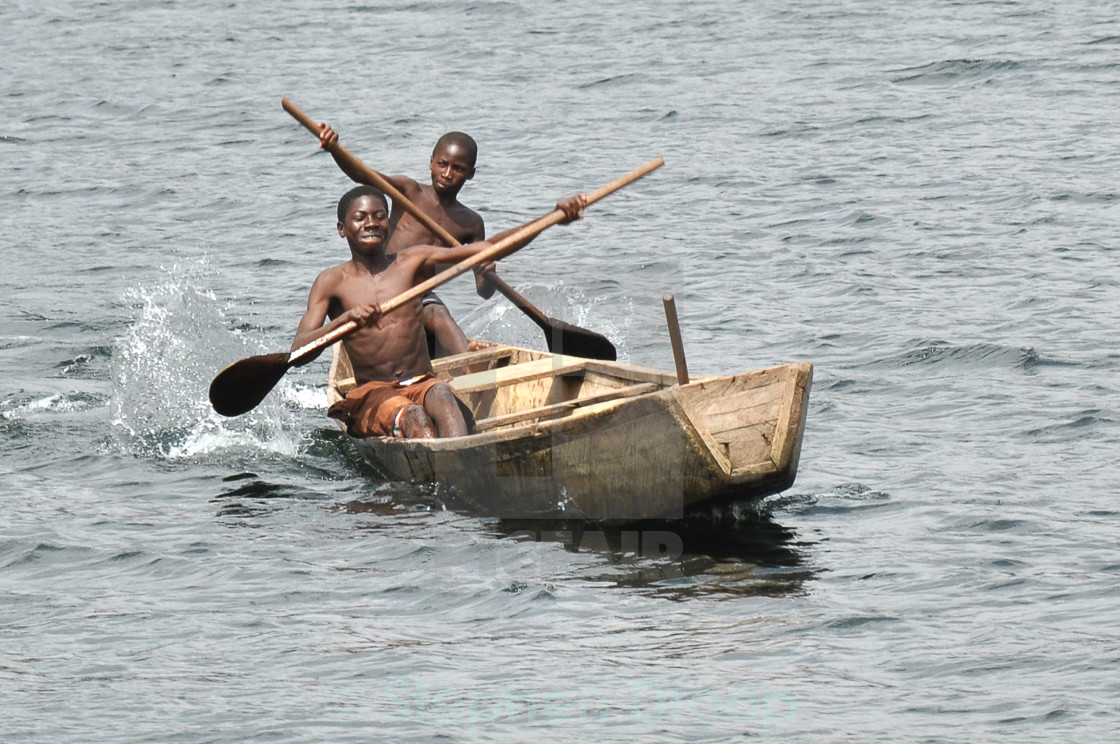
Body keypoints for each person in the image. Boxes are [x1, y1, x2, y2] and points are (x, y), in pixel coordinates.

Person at [293, 185, 582, 440]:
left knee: (444, 395)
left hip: (424, 381)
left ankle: (460, 458)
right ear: (342, 229)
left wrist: (548, 219)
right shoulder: (330, 282)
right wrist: (345, 321)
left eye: (380, 216)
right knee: (414, 417)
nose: (371, 223)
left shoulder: (413, 262)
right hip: (373, 394)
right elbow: (299, 352)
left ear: (389, 225)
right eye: (360, 218)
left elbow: (488, 248)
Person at [317, 124, 491, 357]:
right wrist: (335, 149)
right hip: (382, 286)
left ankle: (468, 358)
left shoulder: (471, 223)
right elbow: (362, 175)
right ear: (431, 162)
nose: (447, 174)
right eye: (442, 164)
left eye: (458, 168)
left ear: (471, 173)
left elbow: (484, 291)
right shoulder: (409, 191)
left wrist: (486, 273)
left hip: (420, 296)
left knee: (438, 314)